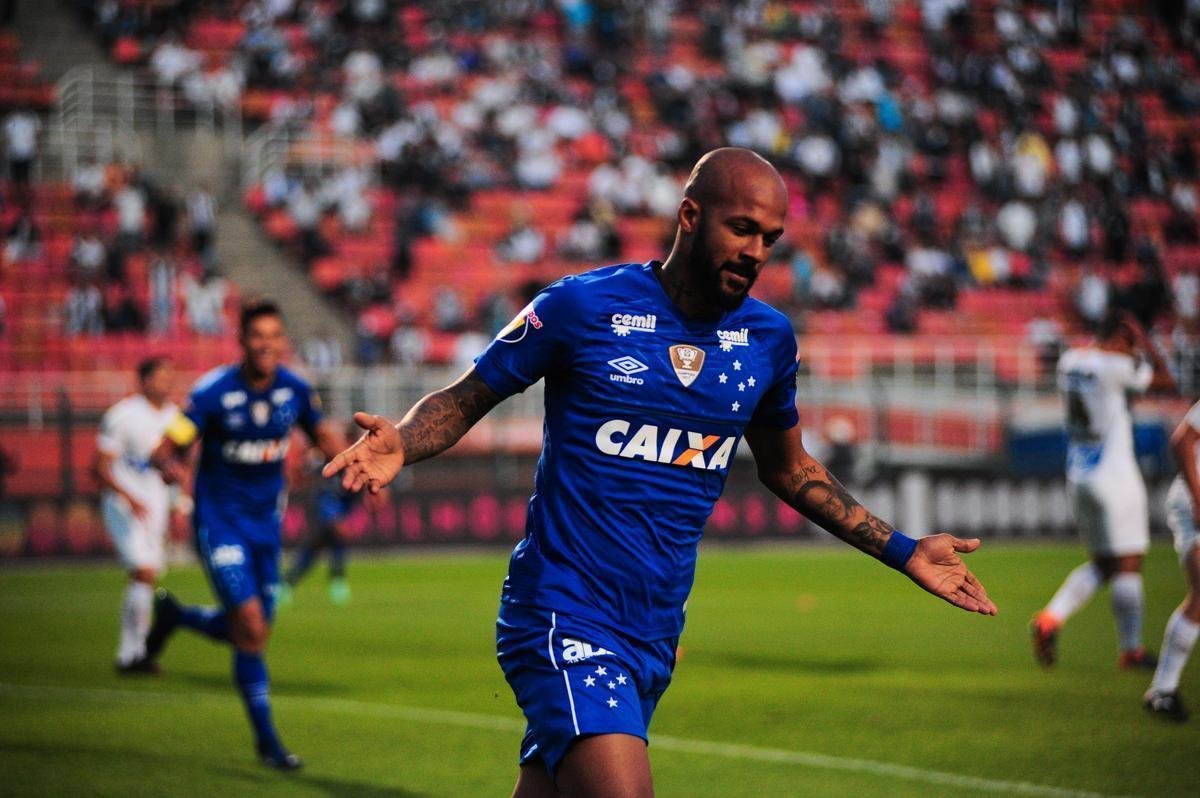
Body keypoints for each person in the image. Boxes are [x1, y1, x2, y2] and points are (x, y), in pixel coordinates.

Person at [322, 148, 997, 797]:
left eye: (771, 238)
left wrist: (904, 550)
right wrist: (401, 444)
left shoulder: (767, 341)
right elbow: (465, 398)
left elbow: (790, 471)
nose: (756, 252)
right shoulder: (581, 307)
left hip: (655, 632)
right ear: (689, 215)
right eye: (742, 229)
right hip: (561, 612)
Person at [145, 299, 345, 770]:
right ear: (242, 341)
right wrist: (170, 468)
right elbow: (168, 445)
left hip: (264, 527)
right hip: (220, 522)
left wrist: (360, 468)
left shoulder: (295, 389)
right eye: (258, 336)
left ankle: (177, 616)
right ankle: (268, 743)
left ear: (283, 342)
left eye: (275, 336)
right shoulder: (212, 392)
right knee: (252, 627)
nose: (267, 344)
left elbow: (323, 437)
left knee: (250, 631)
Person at [1032, 311, 1176, 670]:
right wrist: (1147, 344)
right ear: (1117, 342)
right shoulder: (1114, 366)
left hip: (1080, 474)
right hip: (1115, 475)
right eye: (1128, 346)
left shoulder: (1069, 361)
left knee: (1102, 563)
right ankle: (1131, 650)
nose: (1131, 354)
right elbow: (1165, 380)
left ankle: (1051, 618)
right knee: (1129, 563)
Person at [94, 357, 180, 674]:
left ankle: (131, 653)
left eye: (170, 376)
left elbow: (171, 467)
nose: (167, 382)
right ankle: (136, 653)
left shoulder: (175, 417)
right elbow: (99, 467)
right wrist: (129, 497)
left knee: (145, 577)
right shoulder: (123, 415)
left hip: (154, 505)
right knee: (144, 572)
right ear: (143, 381)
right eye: (160, 376)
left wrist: (176, 487)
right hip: (124, 505)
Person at [1145, 401, 1200, 721]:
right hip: (1194, 501)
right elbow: (1182, 439)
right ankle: (1162, 689)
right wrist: (1197, 498)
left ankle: (1163, 689)